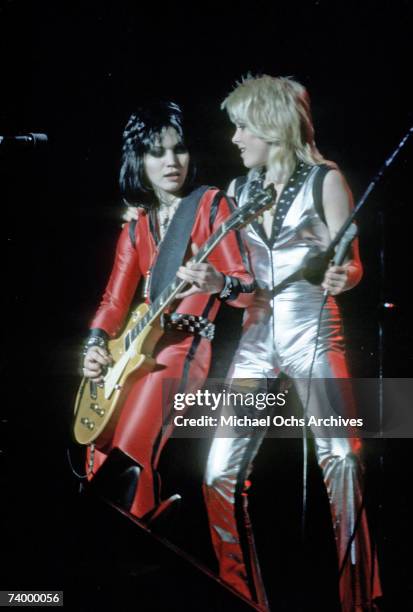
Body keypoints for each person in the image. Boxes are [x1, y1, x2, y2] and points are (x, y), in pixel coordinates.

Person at [202, 76, 382, 612]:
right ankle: (239, 593)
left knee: (343, 457)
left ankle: (359, 598)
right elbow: (241, 287)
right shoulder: (239, 192)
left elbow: (352, 263)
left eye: (241, 126)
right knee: (217, 469)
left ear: (271, 126)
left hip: (312, 331)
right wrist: (220, 287)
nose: (234, 139)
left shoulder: (324, 180)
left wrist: (342, 274)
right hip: (257, 338)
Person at [82, 100, 255, 523]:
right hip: (130, 352)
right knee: (99, 455)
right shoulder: (136, 225)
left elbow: (246, 287)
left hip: (181, 348)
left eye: (178, 149)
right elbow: (113, 302)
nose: (171, 161)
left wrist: (218, 283)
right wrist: (95, 346)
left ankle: (139, 541)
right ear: (139, 160)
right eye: (157, 152)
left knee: (131, 452)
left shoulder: (211, 204)